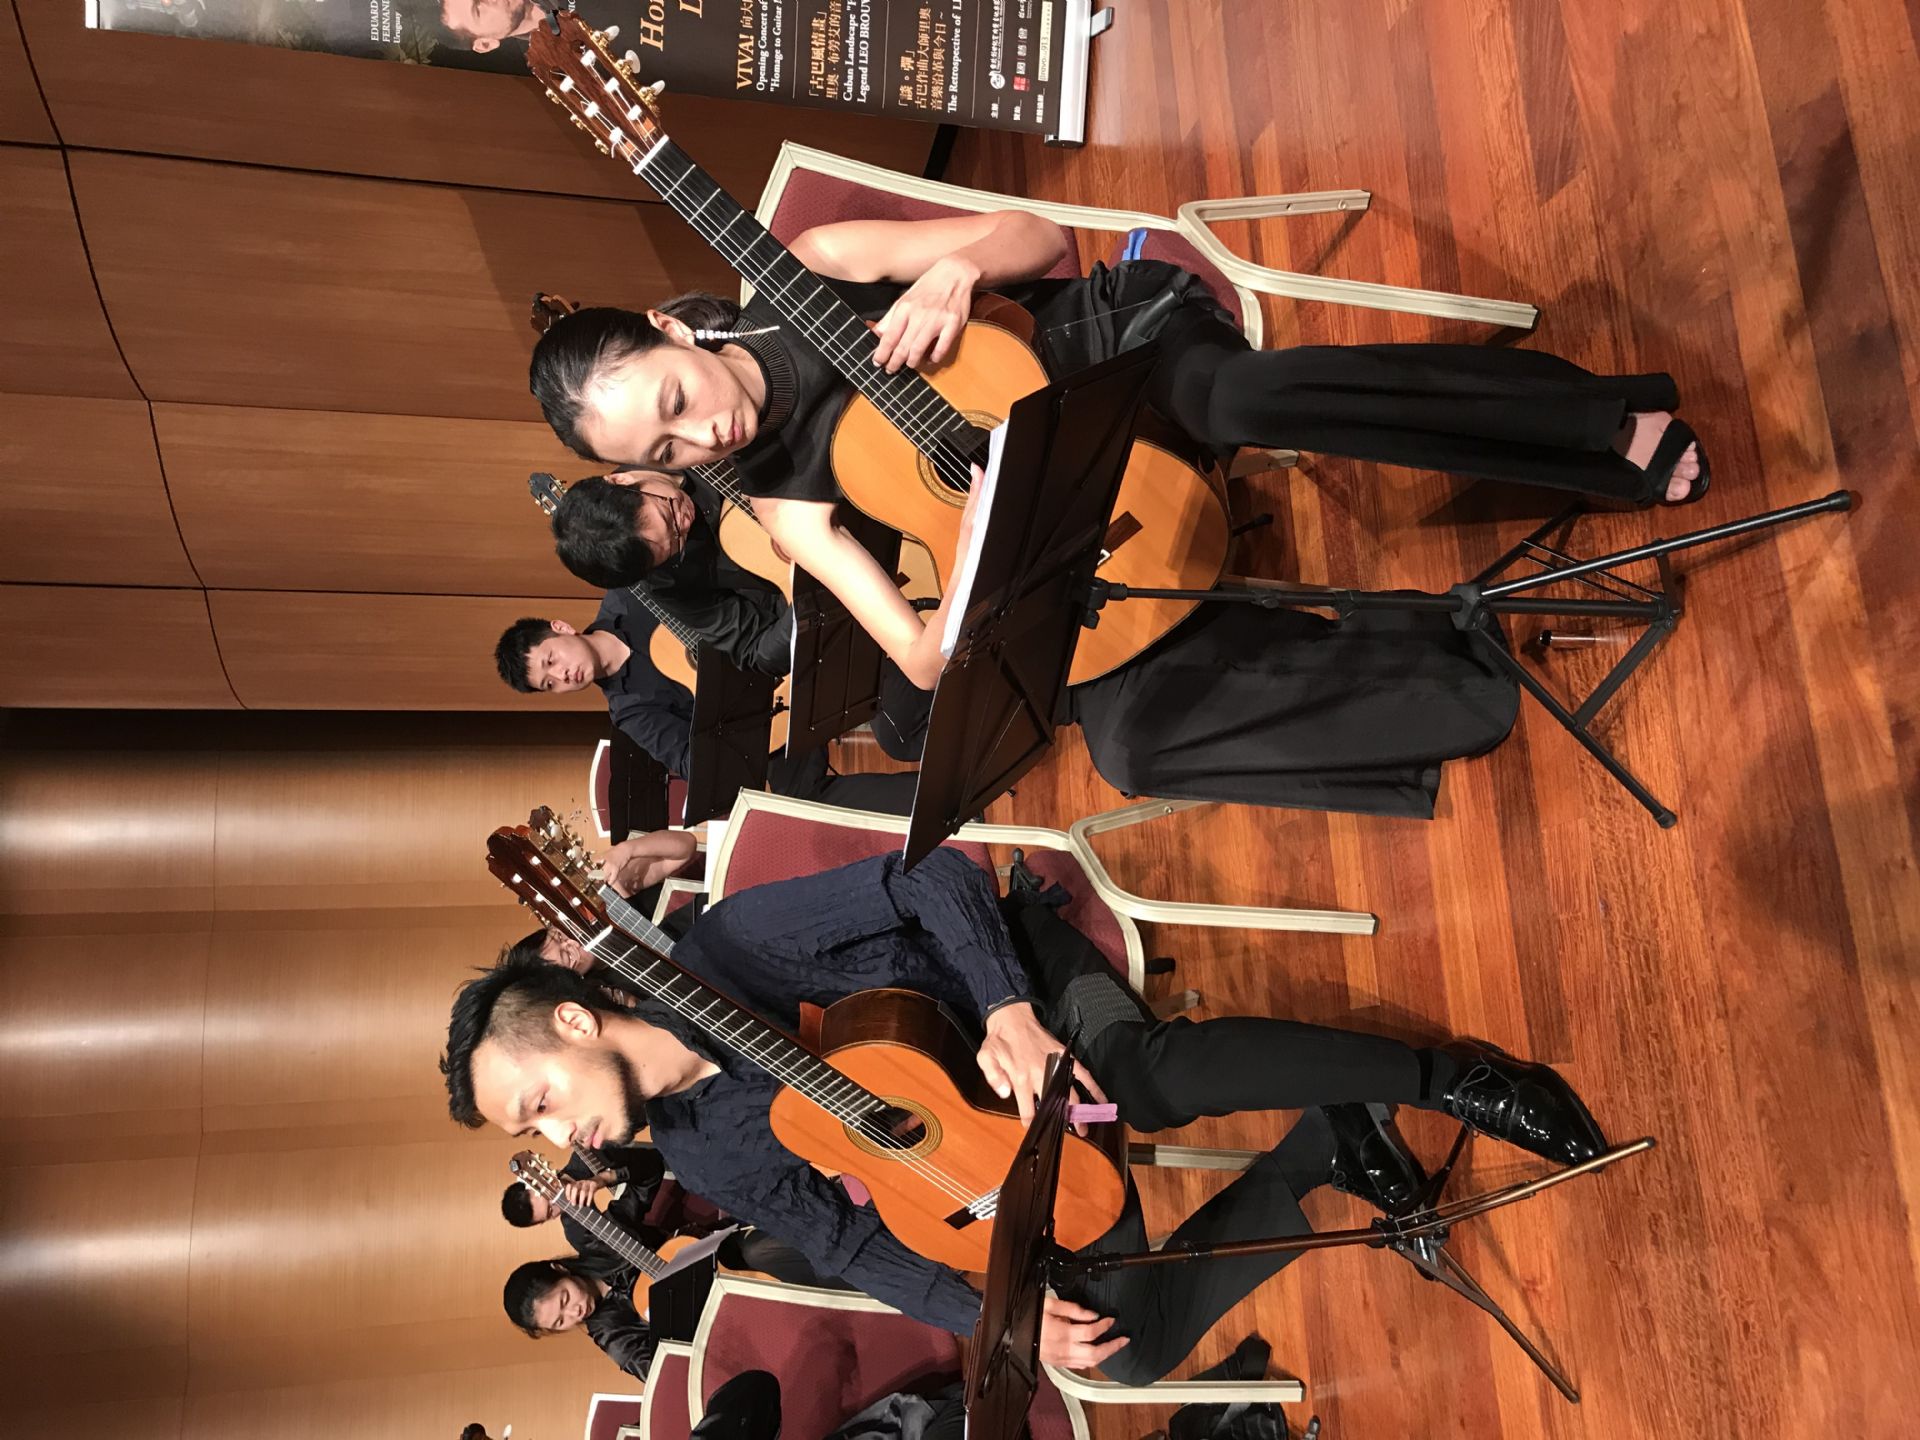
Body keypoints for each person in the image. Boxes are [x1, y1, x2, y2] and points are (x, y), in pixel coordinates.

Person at [526, 213, 1709, 818]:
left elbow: (1043, 243)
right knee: (1135, 743)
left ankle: (1586, 426)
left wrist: (955, 273)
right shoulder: (781, 501)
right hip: (1058, 511)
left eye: (674, 402)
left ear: (672, 331)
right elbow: (918, 657)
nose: (702, 439)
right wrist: (964, 580)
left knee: (1242, 397)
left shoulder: (814, 265)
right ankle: (1458, 666)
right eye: (665, 453)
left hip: (1103, 358)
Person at [441, 846, 1610, 1382]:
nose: (560, 1139)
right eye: (532, 1136)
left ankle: (1454, 1079)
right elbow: (845, 1241)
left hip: (1016, 989)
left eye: (539, 1104)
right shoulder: (697, 1148)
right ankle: (1326, 1149)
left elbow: (930, 876)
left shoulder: (734, 946)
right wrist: (997, 1322)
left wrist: (1004, 1005)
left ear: (578, 1021)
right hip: (989, 1142)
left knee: (1138, 1077)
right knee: (1121, 1351)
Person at [494, 592, 922, 815]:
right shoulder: (628, 710)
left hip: (783, 641)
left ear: (560, 628)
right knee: (804, 802)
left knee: (898, 732)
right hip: (770, 718)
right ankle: (939, 804)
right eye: (549, 684)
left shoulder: (629, 595)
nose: (562, 676)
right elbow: (691, 761)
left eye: (551, 660)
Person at [500, 1140, 671, 1280]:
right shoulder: (577, 1234)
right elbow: (626, 1258)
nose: (558, 1202)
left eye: (549, 1197)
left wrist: (605, 1179)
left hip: (672, 1170)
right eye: (550, 1211)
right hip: (666, 1242)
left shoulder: (588, 1153)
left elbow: (653, 1162)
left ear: (544, 1177)